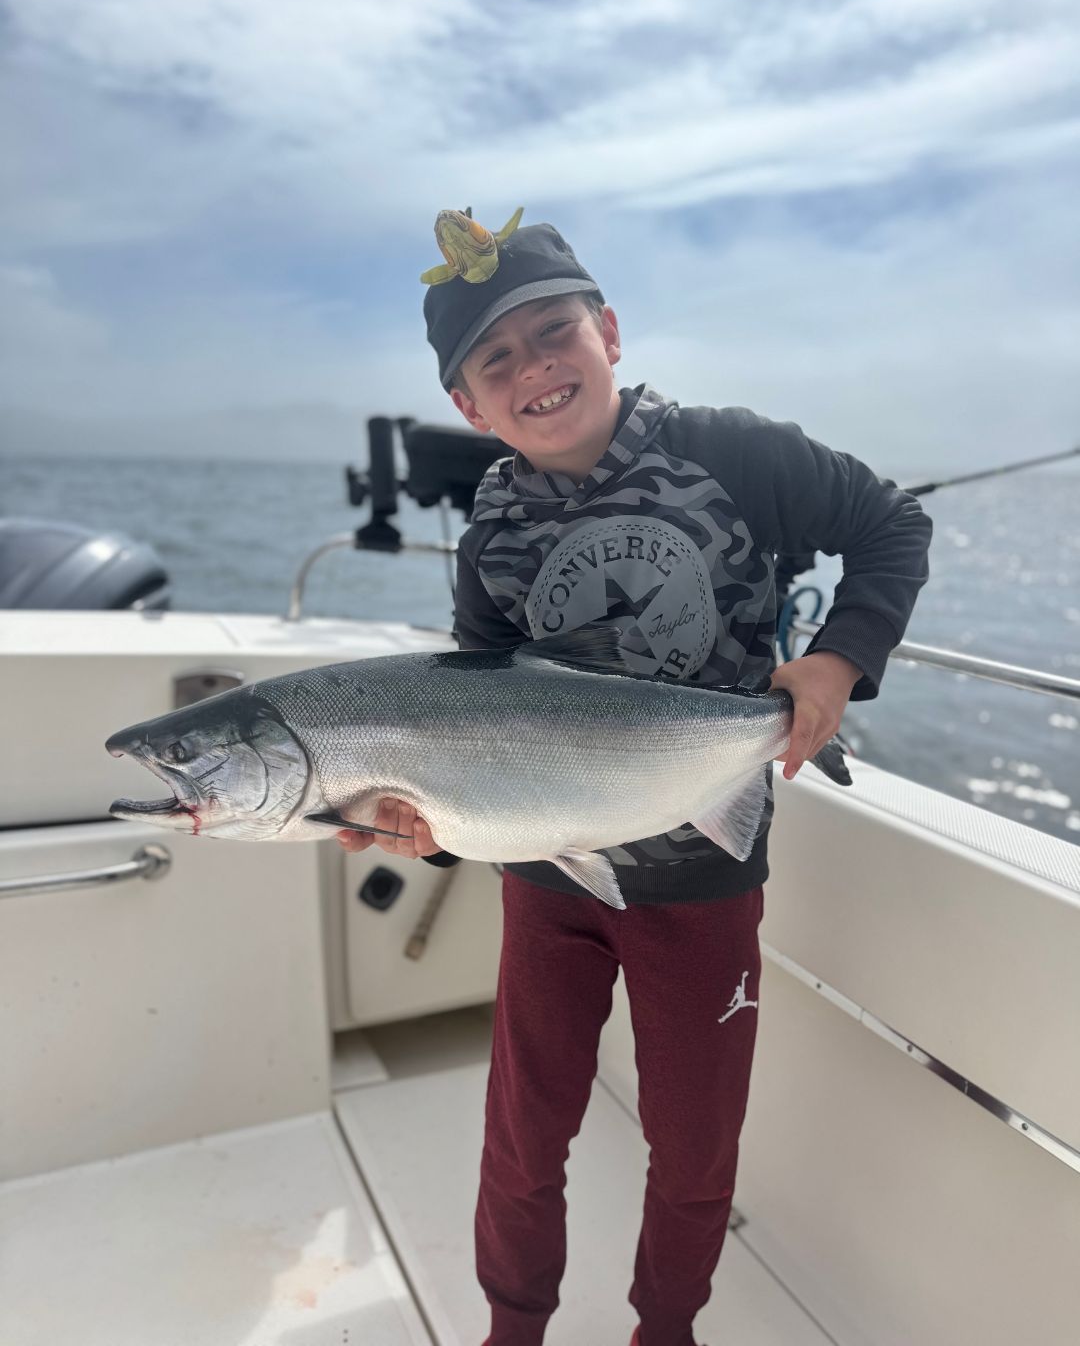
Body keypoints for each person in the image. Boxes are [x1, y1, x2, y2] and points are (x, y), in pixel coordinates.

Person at [338, 212, 932, 1346]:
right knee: (523, 1130)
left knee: (694, 1141)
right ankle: (515, 1328)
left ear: (607, 330)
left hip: (702, 877)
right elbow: (479, 729)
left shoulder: (733, 452)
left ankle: (668, 1331)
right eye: (495, 361)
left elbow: (888, 523)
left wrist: (839, 658)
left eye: (555, 331)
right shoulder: (491, 535)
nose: (536, 369)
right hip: (550, 879)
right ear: (468, 406)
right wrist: (435, 828)